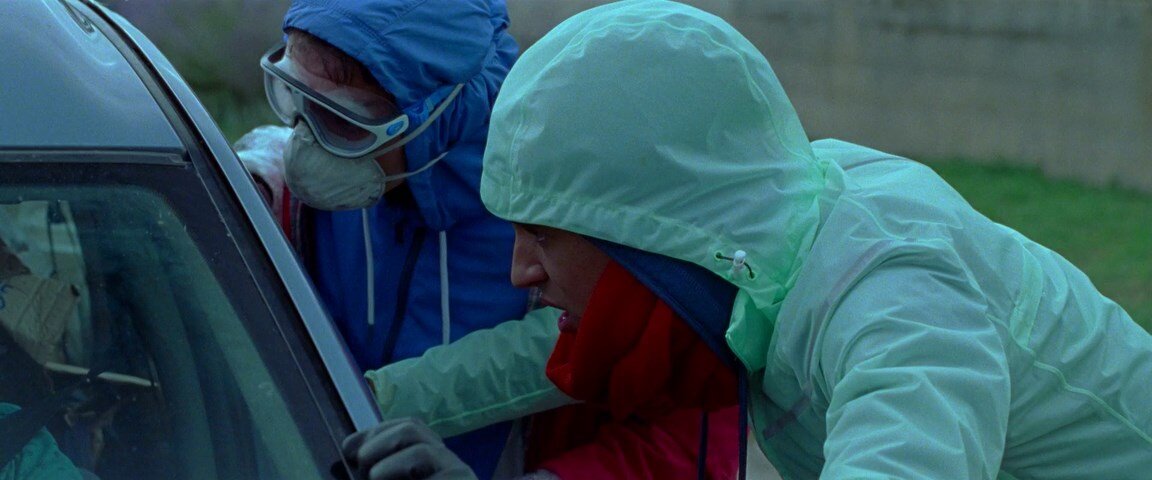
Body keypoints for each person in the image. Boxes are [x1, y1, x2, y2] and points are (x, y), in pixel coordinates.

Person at [341, 0, 1152, 478]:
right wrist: (361, 401)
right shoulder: (755, 238)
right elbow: (546, 357)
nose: (521, 270)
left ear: (640, 226)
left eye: (542, 234)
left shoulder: (896, 301)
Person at [236, 0, 531, 477]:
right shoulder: (313, 203)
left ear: (437, 119)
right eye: (296, 97)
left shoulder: (543, 236)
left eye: (340, 121)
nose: (305, 144)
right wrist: (248, 181)